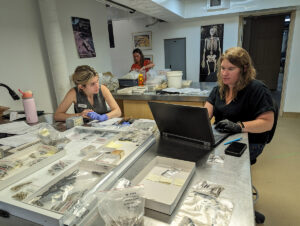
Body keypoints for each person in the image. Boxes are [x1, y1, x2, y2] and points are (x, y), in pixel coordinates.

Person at [204, 47, 275, 161]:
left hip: (249, 140)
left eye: (231, 69)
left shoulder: (257, 89)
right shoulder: (218, 90)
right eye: (222, 68)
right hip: (221, 136)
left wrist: (239, 126)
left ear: (244, 69)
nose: (224, 73)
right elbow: (205, 115)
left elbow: (267, 123)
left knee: (221, 161)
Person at [54, 65, 121, 122]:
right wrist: (79, 115)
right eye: (92, 84)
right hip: (85, 128)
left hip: (104, 125)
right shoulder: (73, 93)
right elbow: (57, 116)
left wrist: (104, 117)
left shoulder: (103, 89)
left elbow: (118, 111)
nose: (97, 86)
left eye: (97, 81)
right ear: (81, 86)